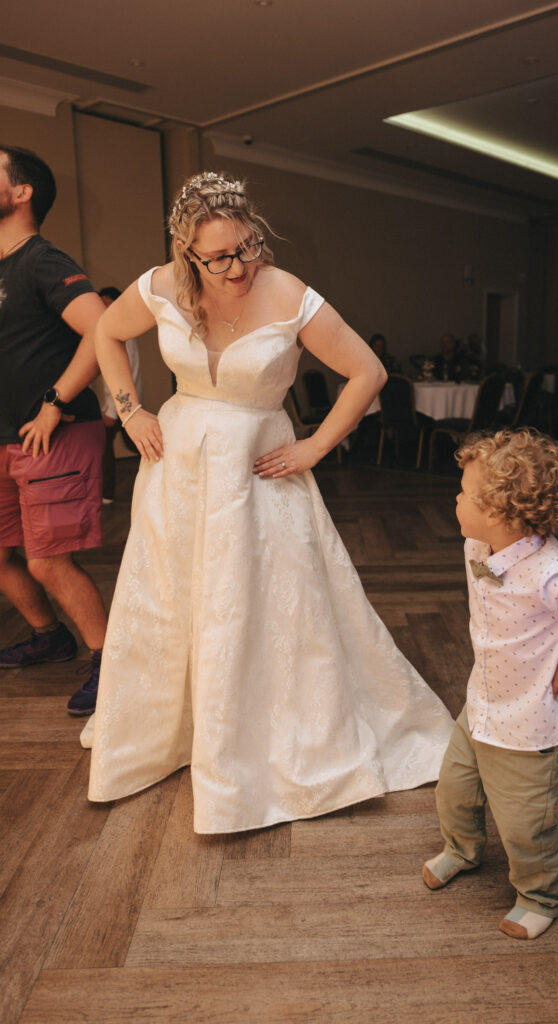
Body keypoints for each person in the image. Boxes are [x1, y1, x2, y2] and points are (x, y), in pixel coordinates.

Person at [80, 171, 454, 833]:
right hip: (179, 470)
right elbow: (107, 333)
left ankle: (262, 746)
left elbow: (368, 373)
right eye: (219, 256)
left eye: (247, 246)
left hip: (259, 472)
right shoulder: (160, 285)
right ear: (185, 252)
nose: (238, 266)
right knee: (172, 597)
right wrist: (130, 409)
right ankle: (170, 733)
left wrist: (315, 447)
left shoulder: (288, 293)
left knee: (269, 603)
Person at [422, 428, 558, 939]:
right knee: (453, 790)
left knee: (525, 824)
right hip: (481, 703)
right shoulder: (481, 543)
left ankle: (541, 896)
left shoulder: (552, 576)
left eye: (462, 493)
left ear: (498, 513)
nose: (454, 498)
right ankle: (462, 849)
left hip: (529, 722)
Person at [0, 145, 107, 716]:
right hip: (3, 440)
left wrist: (53, 402)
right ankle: (49, 634)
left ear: (22, 193)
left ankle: (108, 659)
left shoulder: (41, 260)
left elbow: (104, 330)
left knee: (46, 559)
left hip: (54, 434)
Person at [97, 287, 143, 503]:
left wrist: (114, 411)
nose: (104, 308)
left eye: (107, 303)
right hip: (123, 405)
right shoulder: (111, 329)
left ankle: (106, 493)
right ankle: (106, 493)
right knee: (137, 444)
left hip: (123, 405)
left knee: (139, 444)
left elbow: (123, 374)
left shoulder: (122, 332)